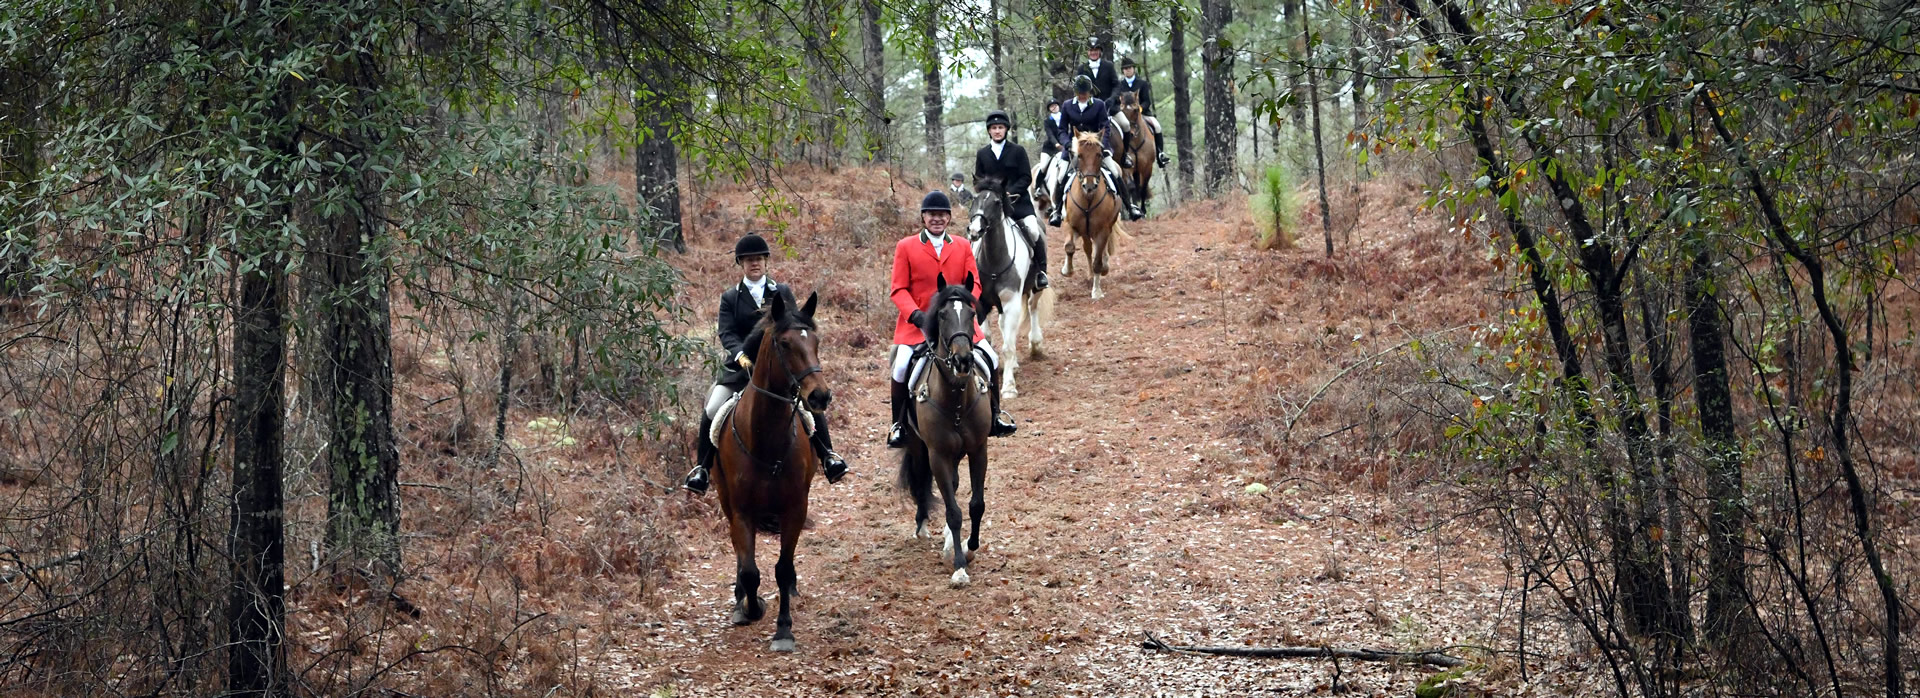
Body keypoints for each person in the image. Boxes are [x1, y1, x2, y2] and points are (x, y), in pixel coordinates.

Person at [684, 233, 849, 494]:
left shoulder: (781, 292)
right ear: (741, 263)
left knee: (808, 407)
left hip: (779, 369)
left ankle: (828, 455)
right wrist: (740, 355)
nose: (754, 263)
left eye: (759, 259)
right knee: (713, 407)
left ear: (766, 261)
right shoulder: (730, 298)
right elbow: (727, 333)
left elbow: (793, 326)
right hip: (740, 368)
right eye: (749, 260)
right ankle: (701, 469)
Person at [886, 191, 1018, 448]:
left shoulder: (962, 245)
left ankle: (996, 415)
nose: (937, 219)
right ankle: (898, 425)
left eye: (942, 215)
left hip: (959, 324)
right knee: (901, 366)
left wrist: (965, 307)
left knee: (991, 357)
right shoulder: (906, 247)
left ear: (948, 218)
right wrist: (916, 315)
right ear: (923, 217)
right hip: (918, 325)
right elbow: (898, 289)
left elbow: (975, 283)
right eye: (932, 214)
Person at [972, 109, 1048, 290]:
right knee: (973, 233)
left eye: (1000, 127)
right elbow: (979, 180)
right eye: (994, 128)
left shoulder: (1018, 151)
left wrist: (1009, 192)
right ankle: (971, 273)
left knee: (1033, 230)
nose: (997, 131)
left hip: (1017, 203)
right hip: (991, 207)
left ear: (1006, 129)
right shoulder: (982, 153)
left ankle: (1041, 272)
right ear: (989, 131)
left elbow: (1026, 177)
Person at [1054, 74, 1143, 223]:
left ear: (1089, 92)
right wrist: (1067, 143)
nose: (1082, 95)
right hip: (1075, 145)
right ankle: (1056, 211)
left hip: (1096, 145)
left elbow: (1105, 127)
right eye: (1080, 92)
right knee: (1062, 175)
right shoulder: (1067, 105)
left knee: (1114, 172)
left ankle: (1130, 206)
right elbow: (1062, 129)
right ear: (1076, 92)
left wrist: (1102, 143)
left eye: (1085, 92)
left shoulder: (1098, 104)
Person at [1115, 57, 1170, 168]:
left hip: (1142, 112)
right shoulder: (1119, 85)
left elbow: (1147, 101)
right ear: (1123, 71)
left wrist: (1140, 109)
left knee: (1157, 126)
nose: (1128, 70)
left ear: (1134, 69)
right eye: (1125, 69)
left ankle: (1160, 154)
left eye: (1129, 68)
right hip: (1125, 115)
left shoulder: (1142, 83)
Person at [1074, 37, 1118, 102]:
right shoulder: (1082, 69)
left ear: (1100, 51)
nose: (1093, 53)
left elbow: (1116, 85)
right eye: (1091, 50)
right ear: (1087, 52)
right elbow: (1078, 88)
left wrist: (1112, 98)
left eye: (1096, 50)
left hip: (1108, 104)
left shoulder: (1109, 66)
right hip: (1088, 104)